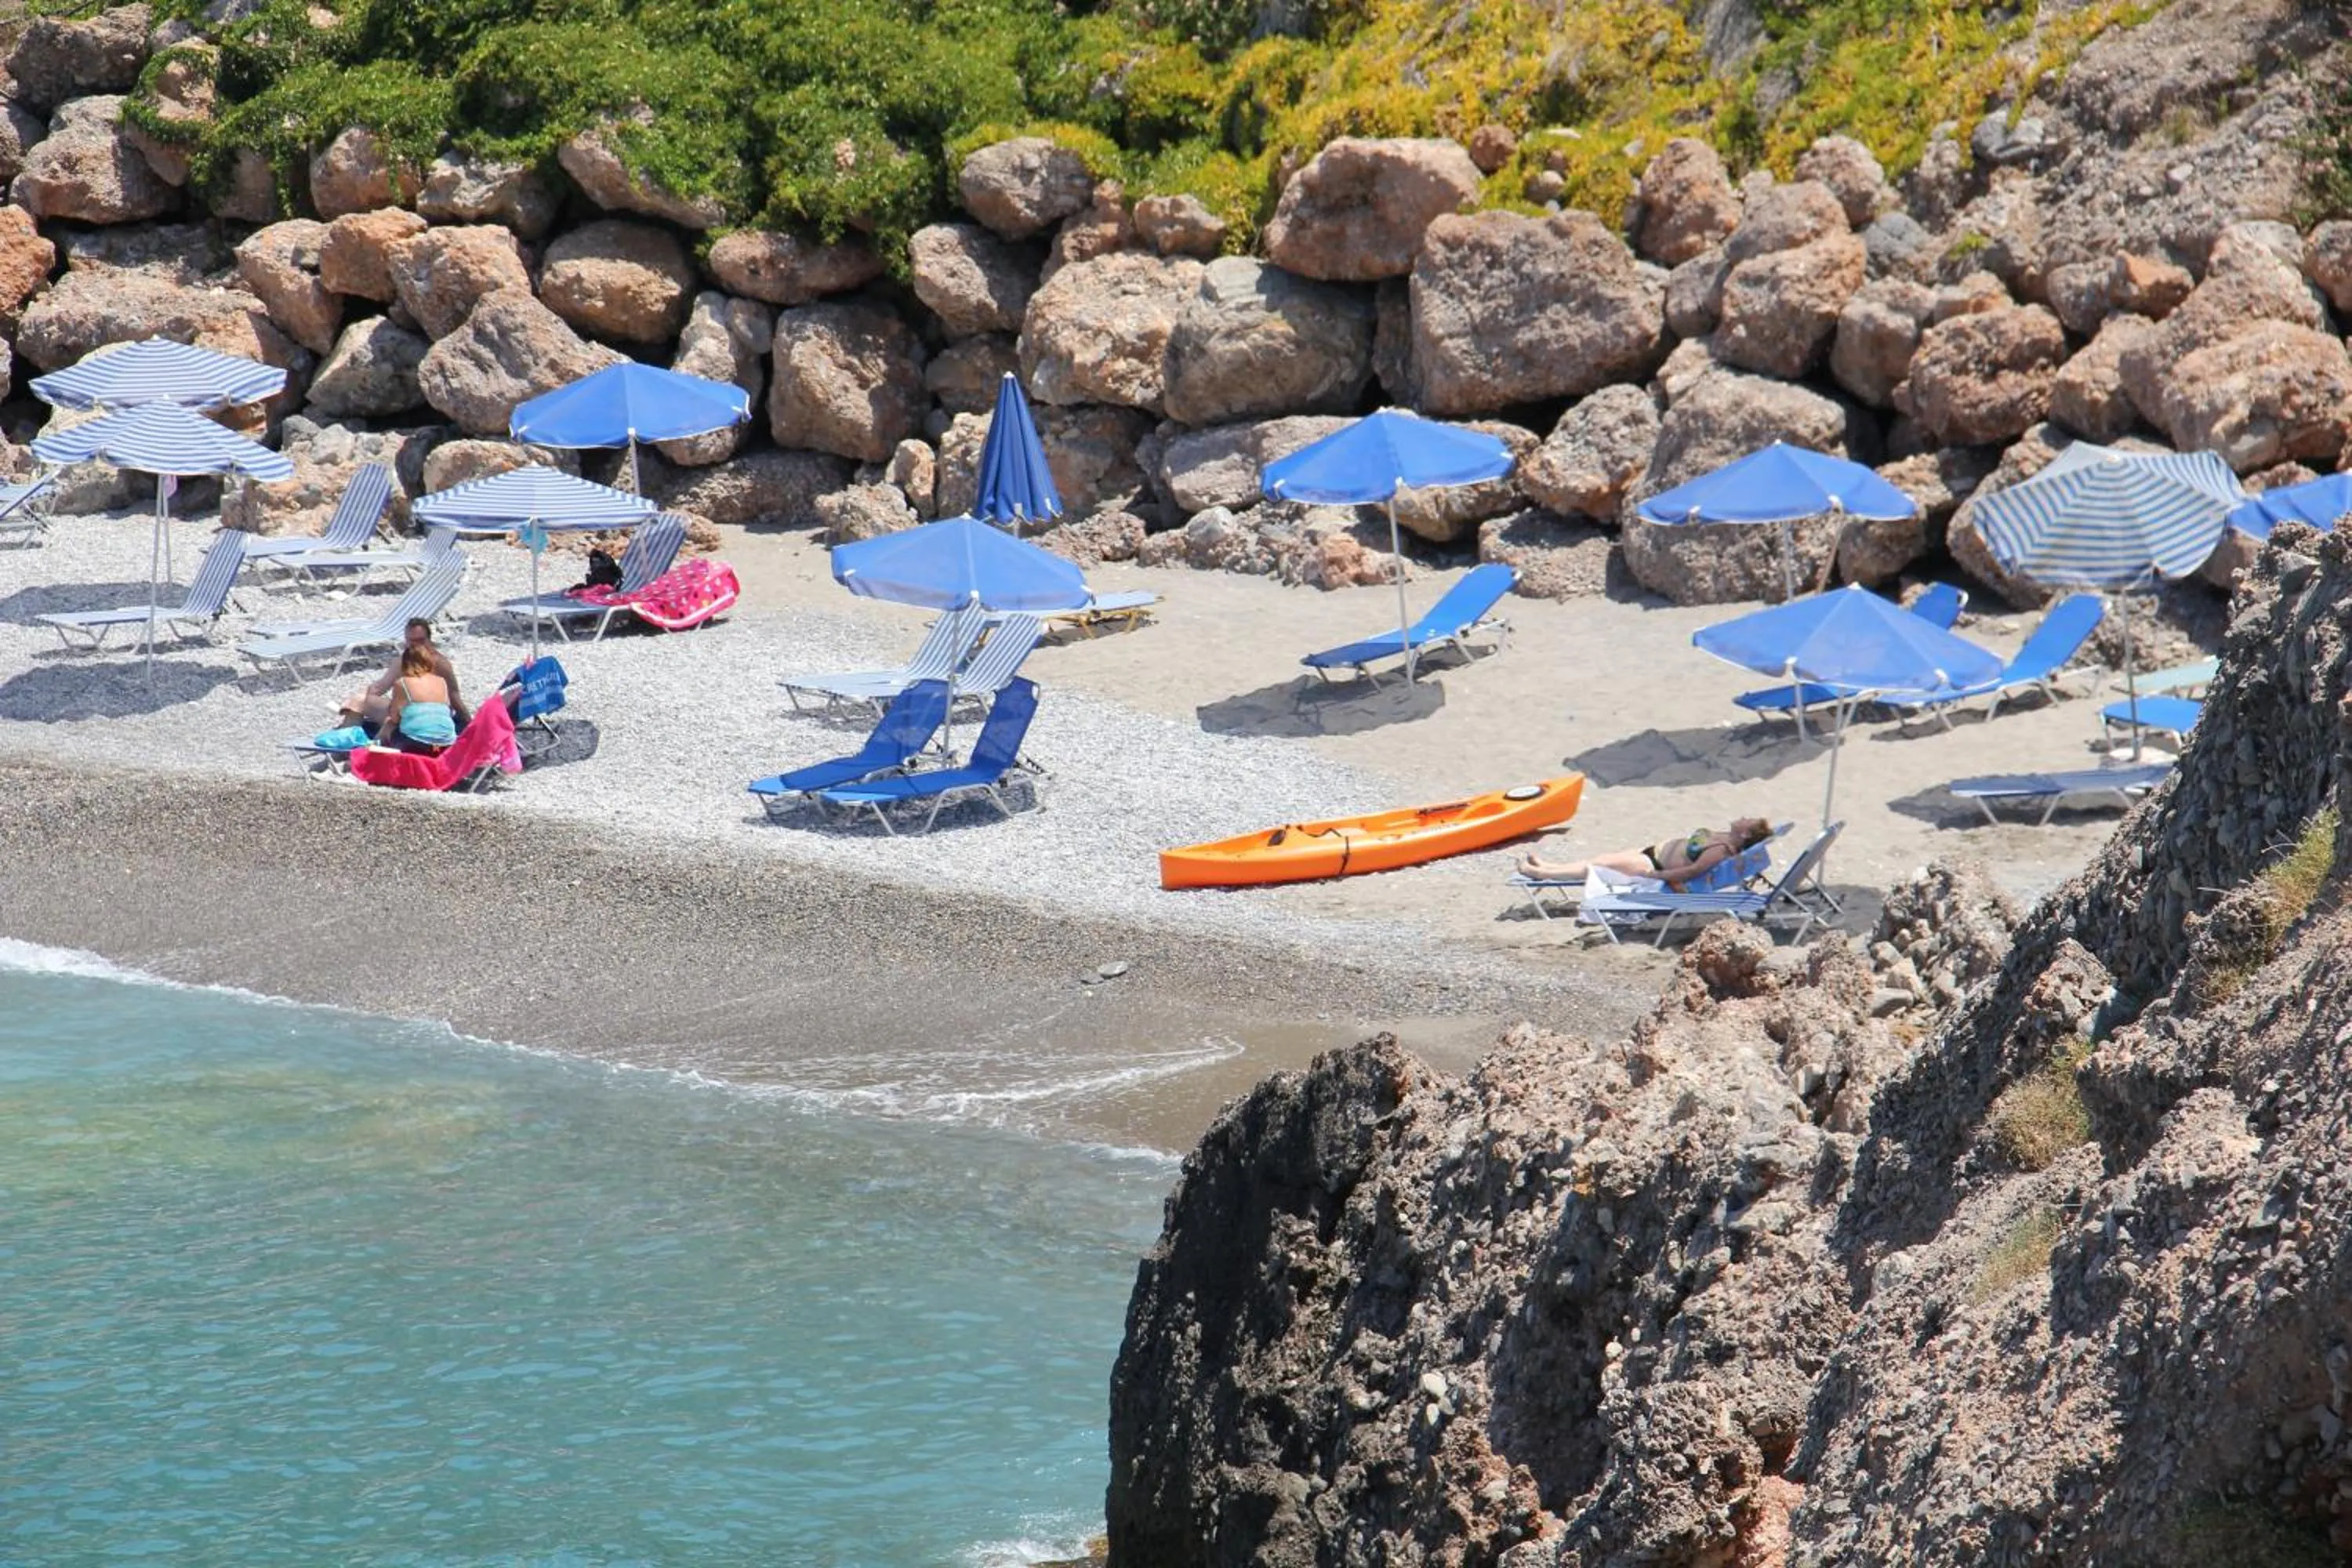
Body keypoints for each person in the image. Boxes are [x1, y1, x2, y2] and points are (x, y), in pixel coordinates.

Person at [1517, 817, 1775, 887]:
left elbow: (1691, 871)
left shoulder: (1721, 850)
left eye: (1748, 821)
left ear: (1745, 835)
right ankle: (1547, 867)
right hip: (1652, 852)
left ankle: (1540, 874)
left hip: (1653, 865)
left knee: (1596, 868)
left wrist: (1655, 878)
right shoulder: (1724, 836)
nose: (1743, 817)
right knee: (1599, 859)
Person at [336, 619, 470, 731]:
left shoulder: (438, 664)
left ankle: (344, 741)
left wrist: (469, 724)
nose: (414, 645)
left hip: (416, 719)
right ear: (406, 640)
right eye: (410, 641)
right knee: (361, 699)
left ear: (429, 640)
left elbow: (455, 698)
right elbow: (379, 687)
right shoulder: (431, 660)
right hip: (431, 718)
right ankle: (346, 735)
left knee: (359, 701)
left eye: (419, 640)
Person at [376, 642, 460, 754]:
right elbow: (448, 712)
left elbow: (395, 717)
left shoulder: (403, 683)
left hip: (417, 745)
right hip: (445, 745)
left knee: (389, 724)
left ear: (405, 664)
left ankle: (373, 749)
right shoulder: (441, 682)